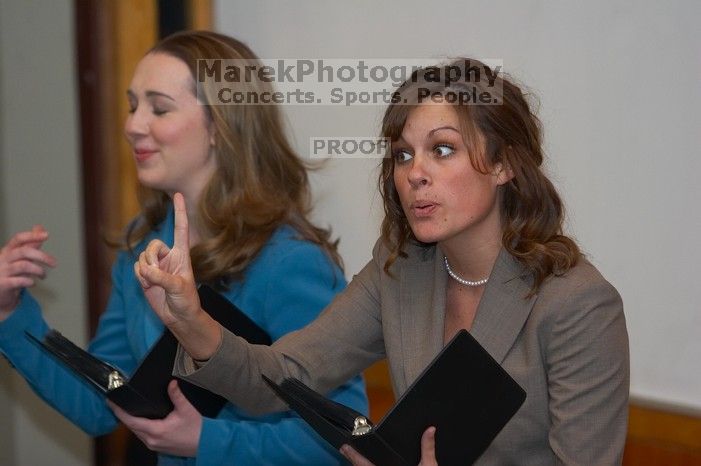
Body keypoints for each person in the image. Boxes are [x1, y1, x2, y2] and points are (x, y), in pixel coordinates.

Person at [134, 59, 630, 465]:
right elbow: (282, 378)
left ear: (504, 165)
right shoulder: (401, 271)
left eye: (442, 150)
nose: (416, 173)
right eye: (402, 155)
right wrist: (190, 319)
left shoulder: (577, 302)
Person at [0, 30, 367, 466]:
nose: (133, 125)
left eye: (159, 108)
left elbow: (343, 436)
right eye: (133, 105)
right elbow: (101, 404)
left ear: (220, 126)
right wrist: (9, 313)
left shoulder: (290, 262)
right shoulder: (142, 250)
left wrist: (207, 441)